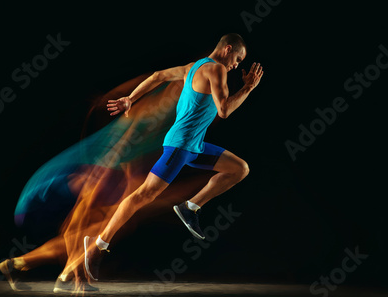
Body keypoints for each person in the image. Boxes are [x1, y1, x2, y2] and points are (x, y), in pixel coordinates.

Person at [83, 33, 264, 281]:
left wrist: (130, 99)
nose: (237, 65)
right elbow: (224, 111)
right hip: (180, 146)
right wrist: (248, 88)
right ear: (227, 49)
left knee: (239, 169)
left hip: (195, 146)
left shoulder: (194, 67)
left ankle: (190, 207)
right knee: (143, 195)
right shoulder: (217, 70)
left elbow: (158, 76)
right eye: (237, 59)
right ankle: (97, 245)